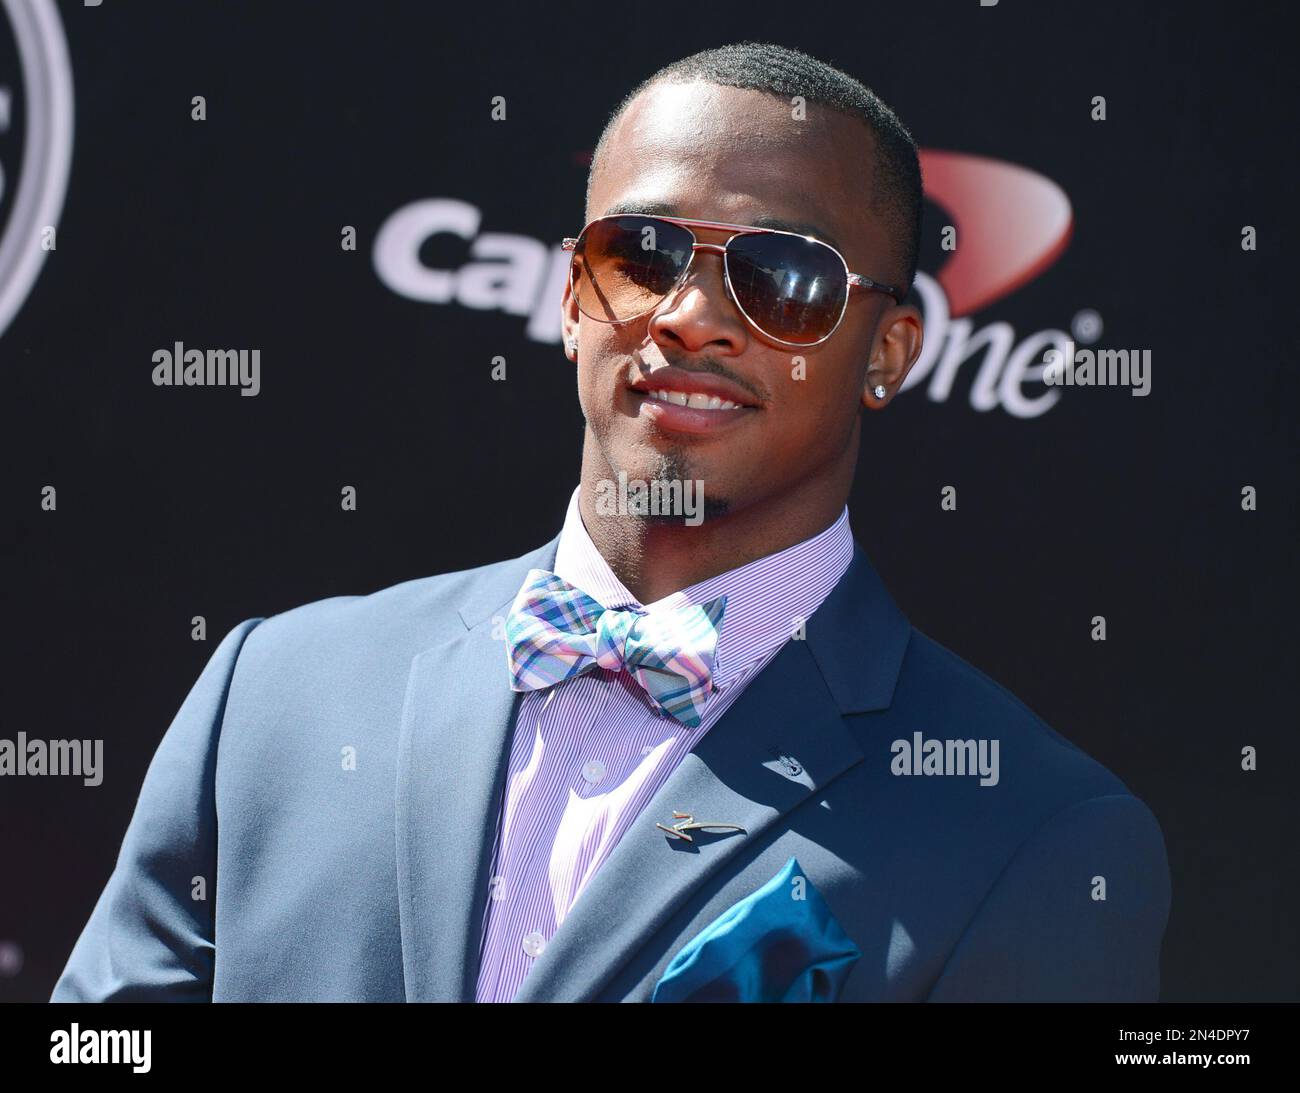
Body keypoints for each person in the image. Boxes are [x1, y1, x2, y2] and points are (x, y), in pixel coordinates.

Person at [51, 41, 1169, 1003]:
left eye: (782, 276)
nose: (689, 317)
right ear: (572, 296)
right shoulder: (276, 694)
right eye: (641, 254)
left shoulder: (1032, 832)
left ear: (884, 351)